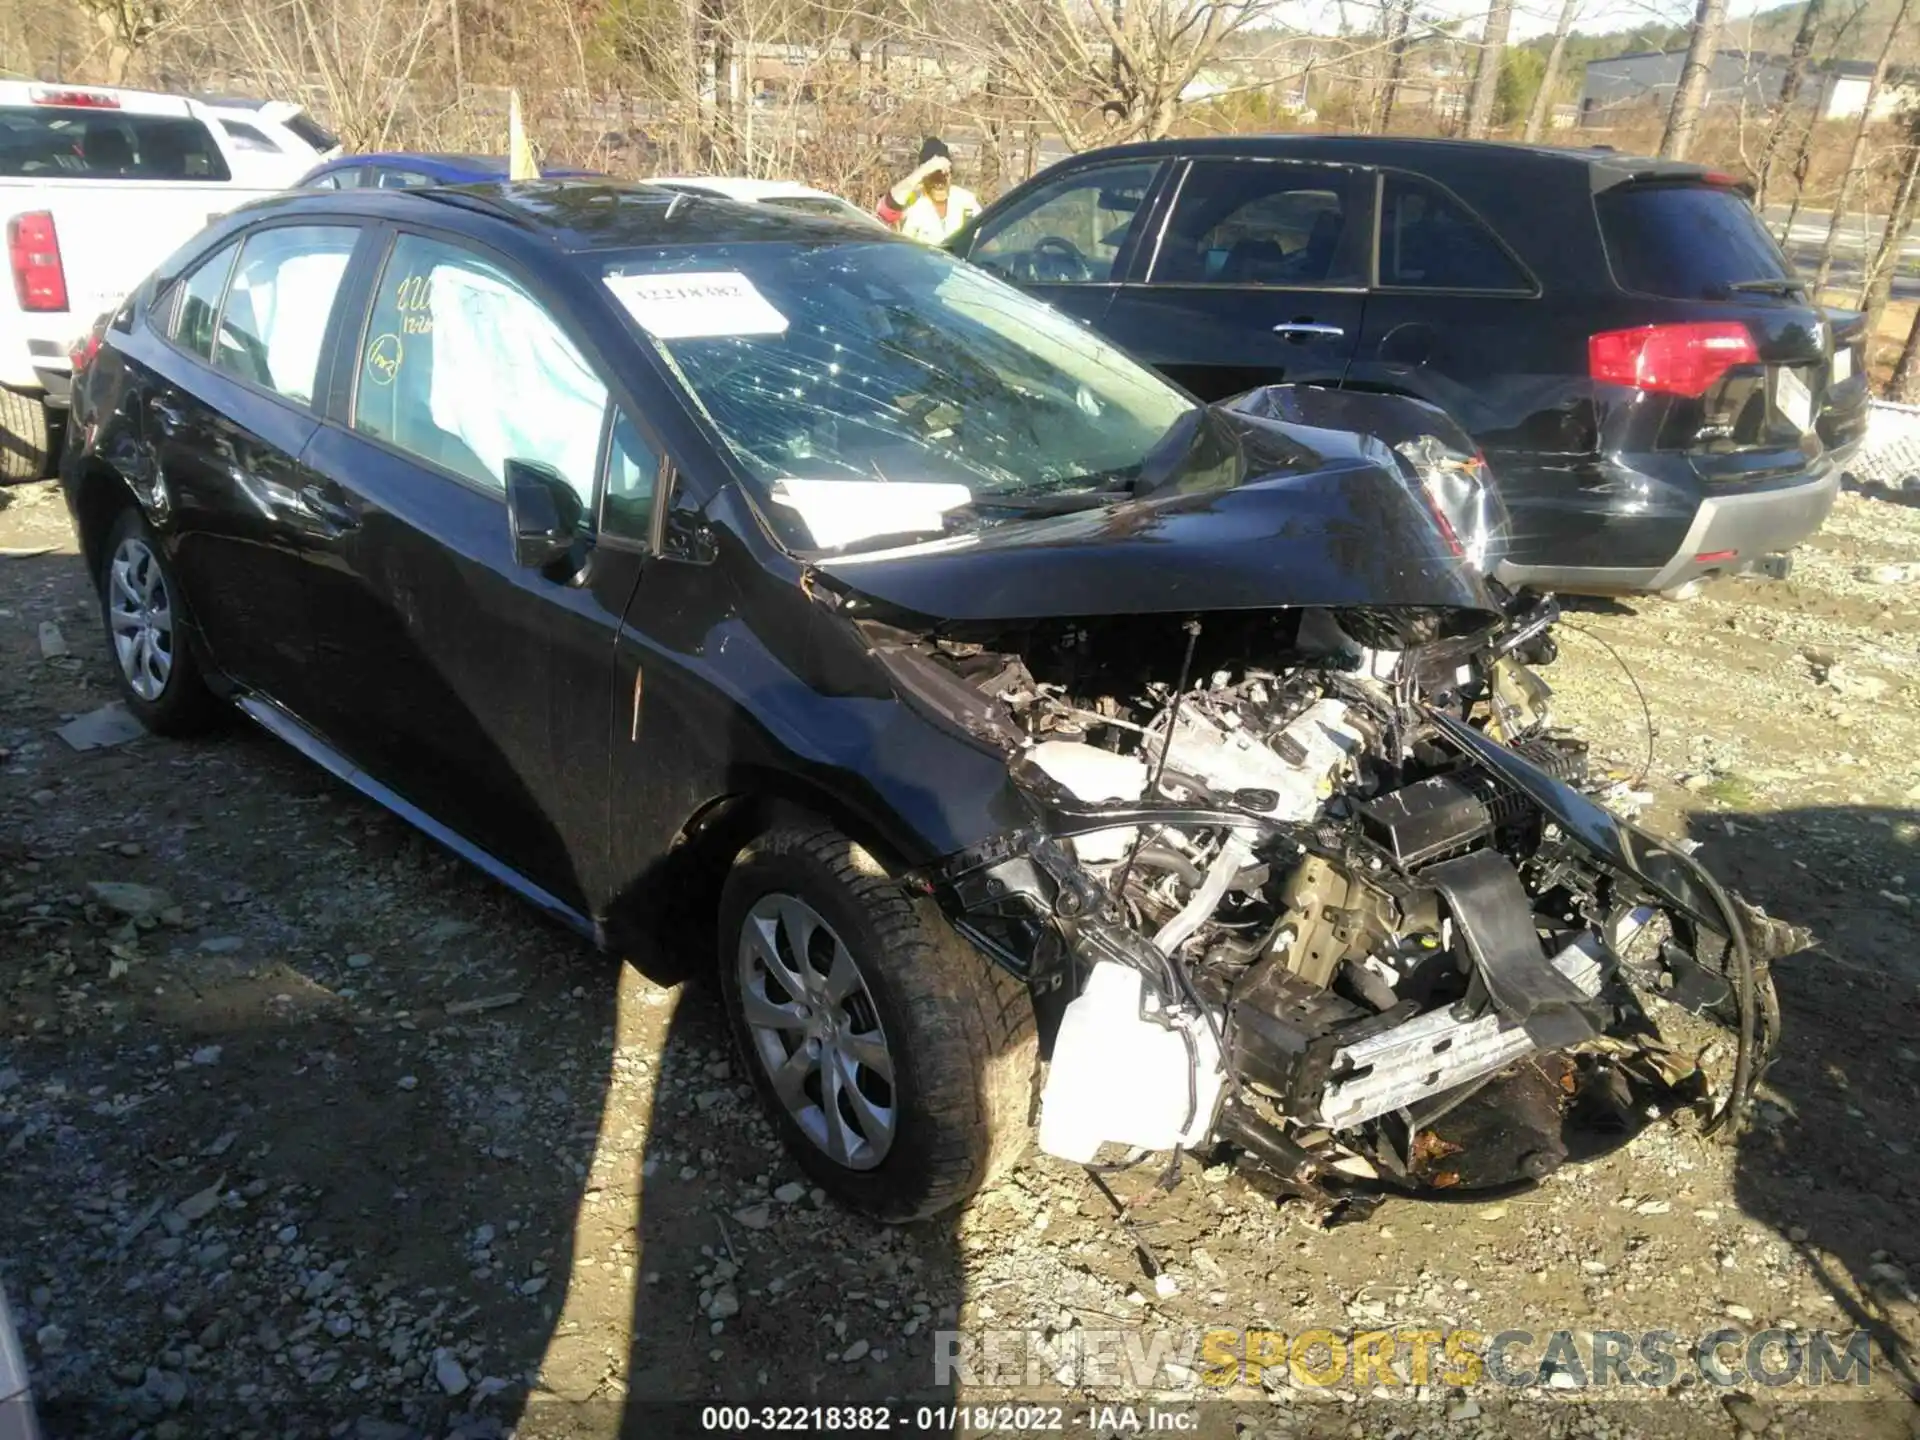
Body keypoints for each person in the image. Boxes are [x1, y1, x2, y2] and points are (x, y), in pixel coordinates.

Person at [876, 137, 980, 245]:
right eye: (934, 177)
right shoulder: (912, 198)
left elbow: (985, 239)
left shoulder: (965, 200)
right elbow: (885, 211)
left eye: (944, 175)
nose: (939, 183)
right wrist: (926, 169)